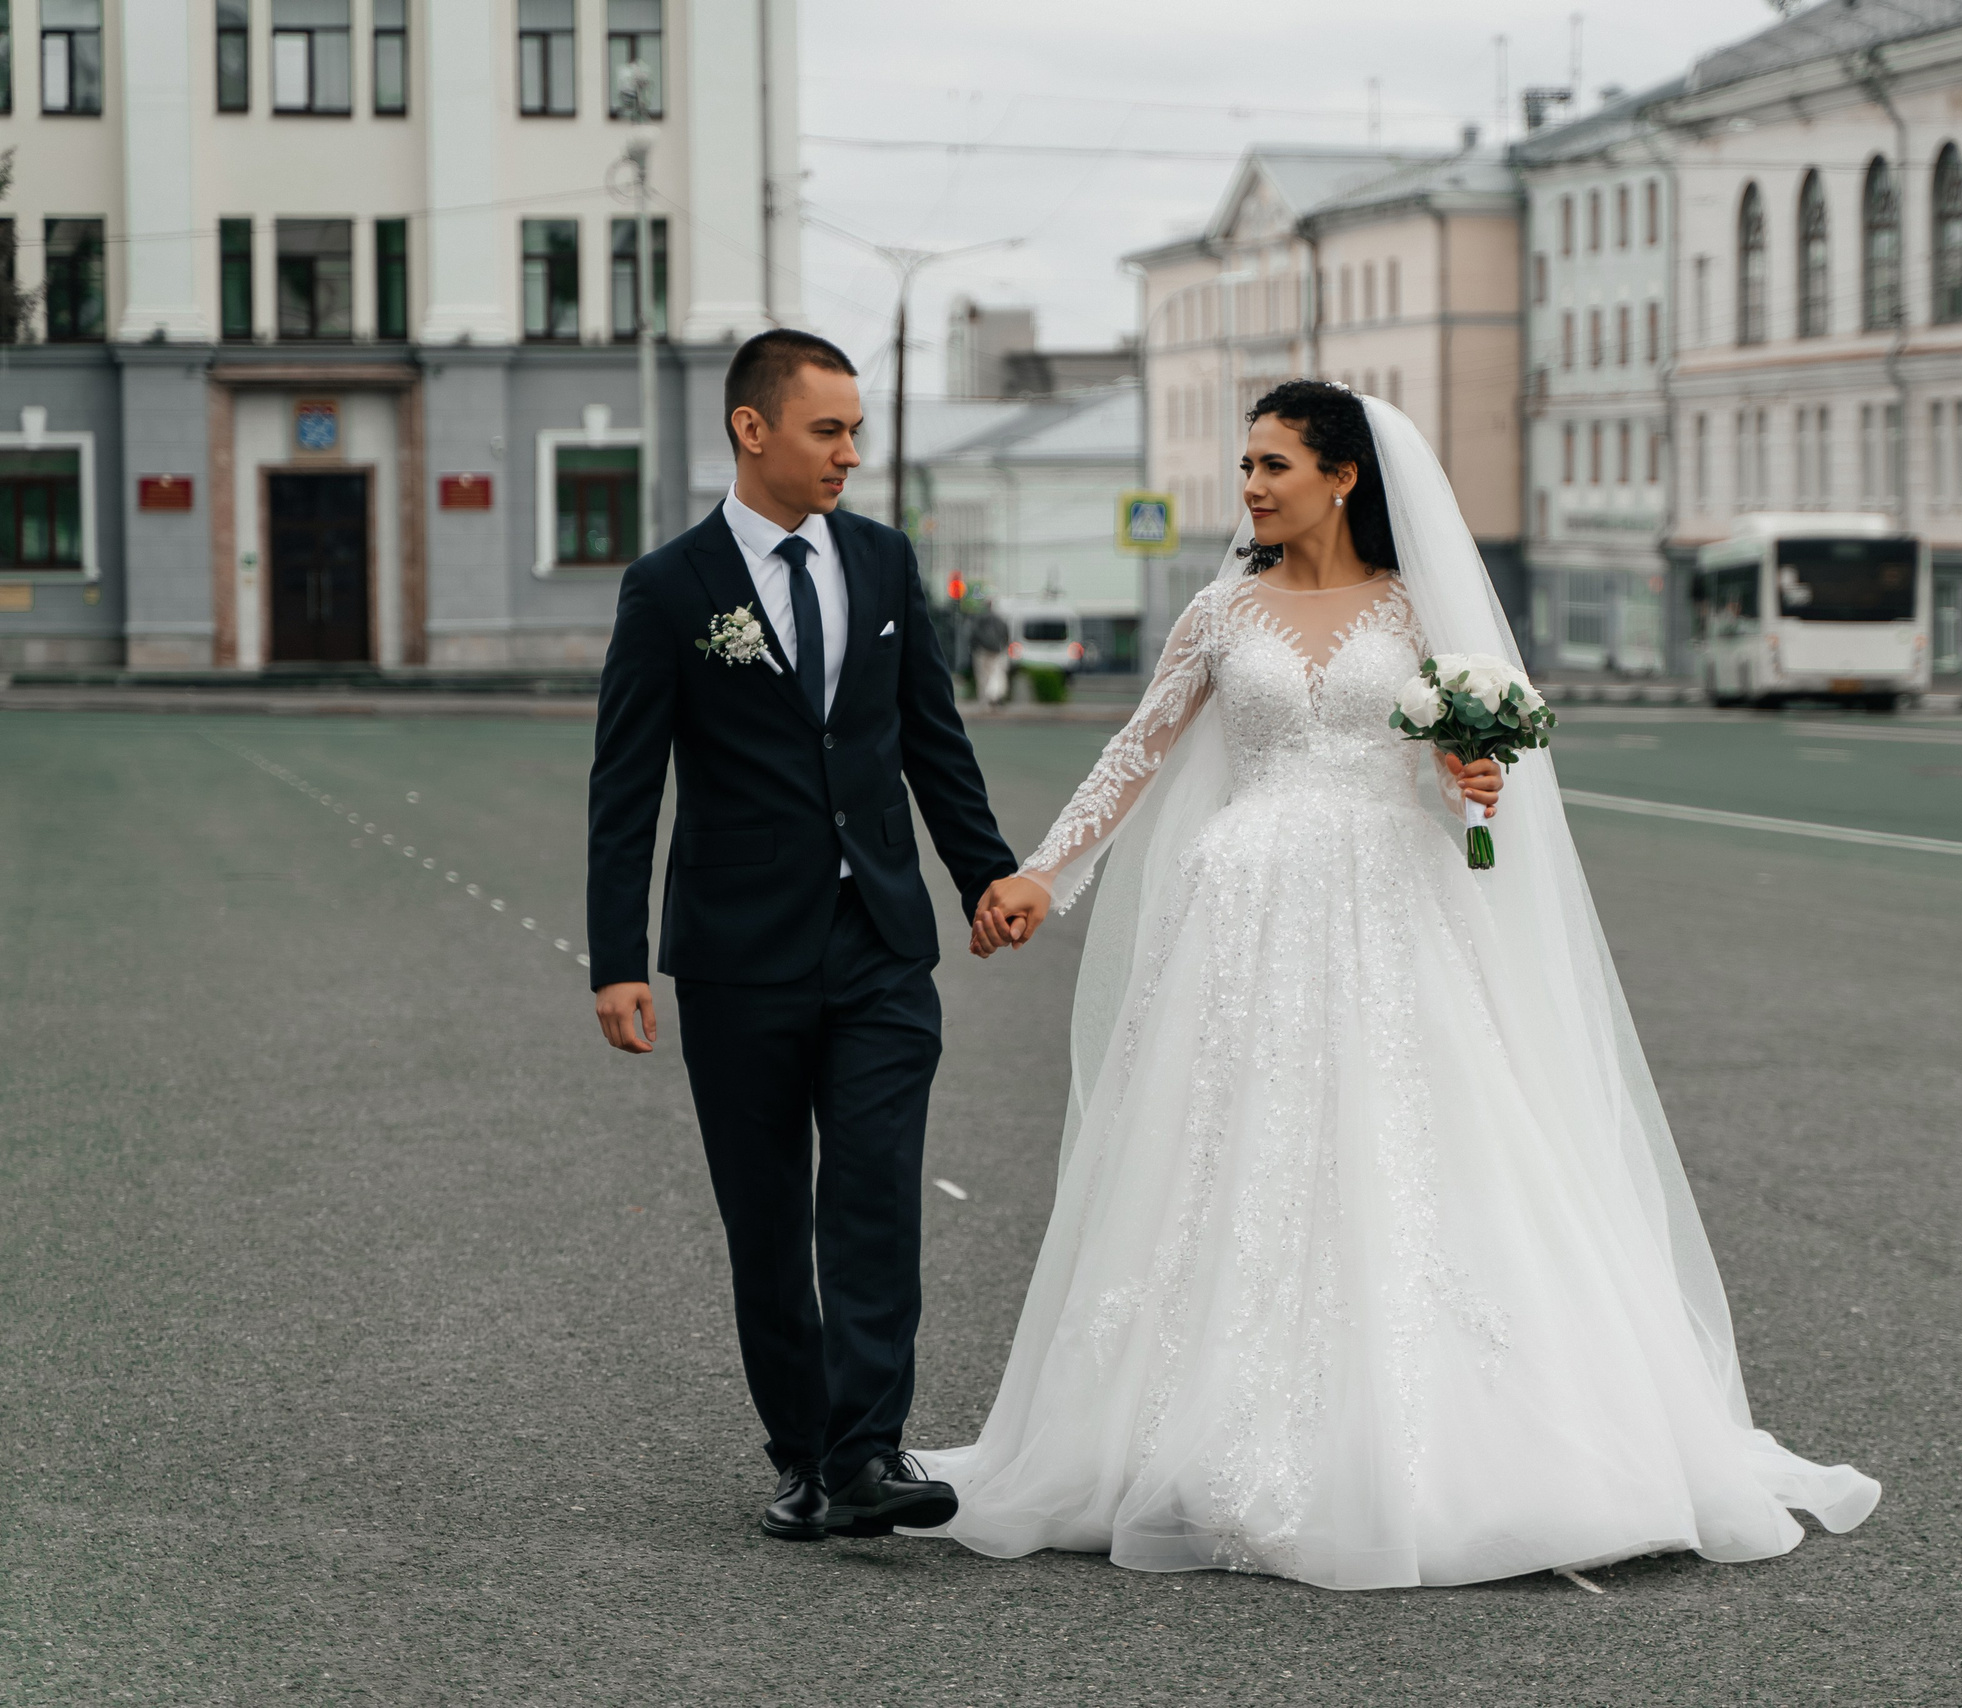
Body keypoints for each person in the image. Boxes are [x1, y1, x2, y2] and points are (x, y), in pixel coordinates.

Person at [936, 380, 1879, 1591]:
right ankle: (1183, 1425)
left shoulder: (1418, 608)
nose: (1251, 486)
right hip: (1245, 916)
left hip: (1392, 908)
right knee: (1236, 1151)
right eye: (1247, 465)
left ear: (1342, 476)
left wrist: (1468, 782)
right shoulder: (1221, 611)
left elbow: (1462, 774)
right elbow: (1136, 752)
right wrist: (1041, 872)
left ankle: (1441, 1437)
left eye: (1274, 464)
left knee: (1411, 1143)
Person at [585, 329, 1015, 1545]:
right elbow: (627, 787)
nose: (849, 453)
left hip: (879, 934)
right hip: (736, 951)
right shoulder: (670, 587)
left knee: (874, 1190)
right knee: (767, 1214)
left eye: (856, 430)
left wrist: (984, 874)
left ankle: (869, 1448)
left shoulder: (880, 561)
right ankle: (802, 1454)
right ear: (752, 428)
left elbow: (933, 737)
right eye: (828, 430)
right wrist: (617, 956)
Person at [968, 605, 1011, 705]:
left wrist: (974, 648)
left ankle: (984, 700)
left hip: (981, 651)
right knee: (996, 674)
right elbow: (1006, 636)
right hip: (997, 651)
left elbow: (973, 635)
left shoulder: (979, 620)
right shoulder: (1000, 620)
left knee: (982, 675)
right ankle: (995, 695)